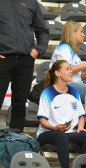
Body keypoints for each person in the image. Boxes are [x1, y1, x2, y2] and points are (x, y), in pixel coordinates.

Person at [36, 60, 86, 168]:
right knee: (60, 135)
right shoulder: (47, 93)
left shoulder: (74, 91)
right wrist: (54, 128)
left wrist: (80, 127)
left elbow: (81, 116)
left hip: (68, 132)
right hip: (47, 133)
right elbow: (43, 120)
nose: (71, 71)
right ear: (58, 73)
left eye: (70, 68)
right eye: (67, 69)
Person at [0, 0, 49, 132]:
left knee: (20, 104)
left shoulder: (31, 2)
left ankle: (16, 140)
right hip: (3, 58)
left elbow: (42, 30)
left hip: (25, 60)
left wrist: (37, 50)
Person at [50, 20, 86, 103]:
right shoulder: (64, 48)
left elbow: (75, 76)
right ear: (72, 33)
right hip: (66, 85)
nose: (83, 35)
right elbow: (66, 71)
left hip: (72, 84)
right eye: (81, 32)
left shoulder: (72, 51)